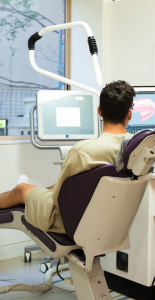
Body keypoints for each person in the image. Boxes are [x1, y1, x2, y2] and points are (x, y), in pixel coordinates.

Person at [0, 80, 135, 234]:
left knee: (20, 190)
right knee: (55, 186)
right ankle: (33, 192)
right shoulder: (137, 149)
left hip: (69, 221)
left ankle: (24, 189)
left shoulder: (83, 151)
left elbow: (57, 201)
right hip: (111, 221)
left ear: (99, 111)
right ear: (129, 114)